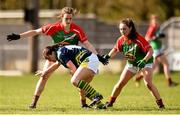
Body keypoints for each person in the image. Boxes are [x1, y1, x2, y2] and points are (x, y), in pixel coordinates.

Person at [6, 7, 106, 109]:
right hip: (56, 55)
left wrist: (99, 57)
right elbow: (36, 32)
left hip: (72, 58)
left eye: (70, 19)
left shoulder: (77, 29)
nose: (68, 21)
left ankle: (84, 104)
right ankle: (34, 103)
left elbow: (88, 45)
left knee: (79, 81)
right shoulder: (53, 28)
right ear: (62, 17)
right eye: (66, 18)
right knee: (44, 76)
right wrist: (19, 36)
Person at [103, 18, 165, 109]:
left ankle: (161, 104)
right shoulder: (121, 39)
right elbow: (115, 49)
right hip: (132, 64)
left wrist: (144, 60)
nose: (122, 31)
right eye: (120, 29)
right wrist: (107, 57)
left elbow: (150, 51)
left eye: (124, 29)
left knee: (148, 83)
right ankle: (110, 102)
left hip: (145, 62)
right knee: (120, 84)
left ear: (130, 28)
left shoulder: (138, 38)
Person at [38, 44, 107, 109]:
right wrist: (45, 72)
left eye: (48, 58)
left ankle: (96, 95)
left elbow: (73, 68)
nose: (50, 61)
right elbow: (56, 64)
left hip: (89, 60)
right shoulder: (60, 52)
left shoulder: (60, 54)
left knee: (74, 80)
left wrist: (75, 77)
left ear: (52, 53)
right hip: (91, 60)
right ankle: (98, 105)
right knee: (81, 88)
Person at [135, 14, 178, 87]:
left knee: (153, 68)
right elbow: (147, 38)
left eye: (157, 19)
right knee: (166, 64)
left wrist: (161, 35)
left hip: (159, 48)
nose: (156, 21)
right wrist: (156, 37)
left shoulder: (158, 27)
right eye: (154, 19)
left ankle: (138, 77)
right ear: (152, 21)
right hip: (156, 49)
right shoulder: (152, 28)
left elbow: (161, 35)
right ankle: (169, 82)